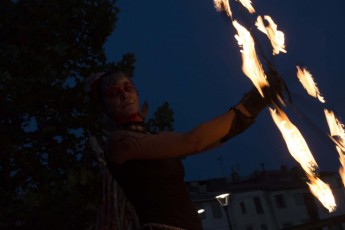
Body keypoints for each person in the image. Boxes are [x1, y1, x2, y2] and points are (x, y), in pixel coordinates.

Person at [88, 70, 283, 230]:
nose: (124, 95)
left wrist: (254, 105)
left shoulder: (151, 138)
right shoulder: (120, 143)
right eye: (114, 93)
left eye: (127, 88)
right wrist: (253, 102)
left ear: (137, 93)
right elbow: (193, 142)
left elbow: (211, 140)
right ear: (105, 107)